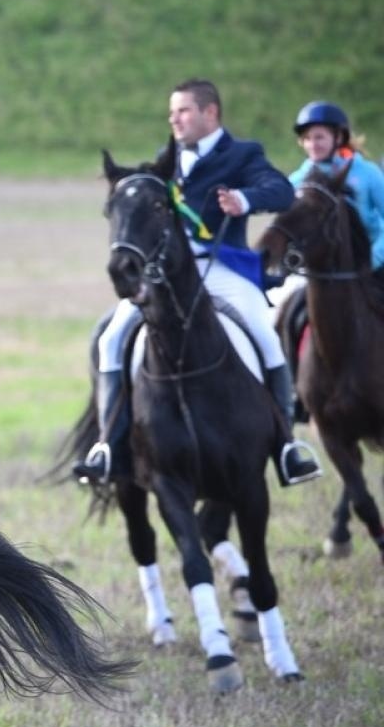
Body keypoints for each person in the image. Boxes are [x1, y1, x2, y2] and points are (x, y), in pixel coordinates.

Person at [74, 78, 319, 487]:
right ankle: (108, 447)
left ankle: (285, 445)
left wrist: (244, 200)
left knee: (264, 333)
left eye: (183, 110)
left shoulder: (243, 154)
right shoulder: (167, 158)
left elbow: (280, 191)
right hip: (166, 275)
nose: (175, 118)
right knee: (111, 339)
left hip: (220, 268)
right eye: (172, 112)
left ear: (210, 113)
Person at [286, 101, 384, 274]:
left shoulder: (368, 173)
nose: (312, 144)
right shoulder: (296, 180)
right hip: (315, 268)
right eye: (307, 139)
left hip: (370, 264)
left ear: (338, 138)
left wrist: (374, 258)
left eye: (319, 137)